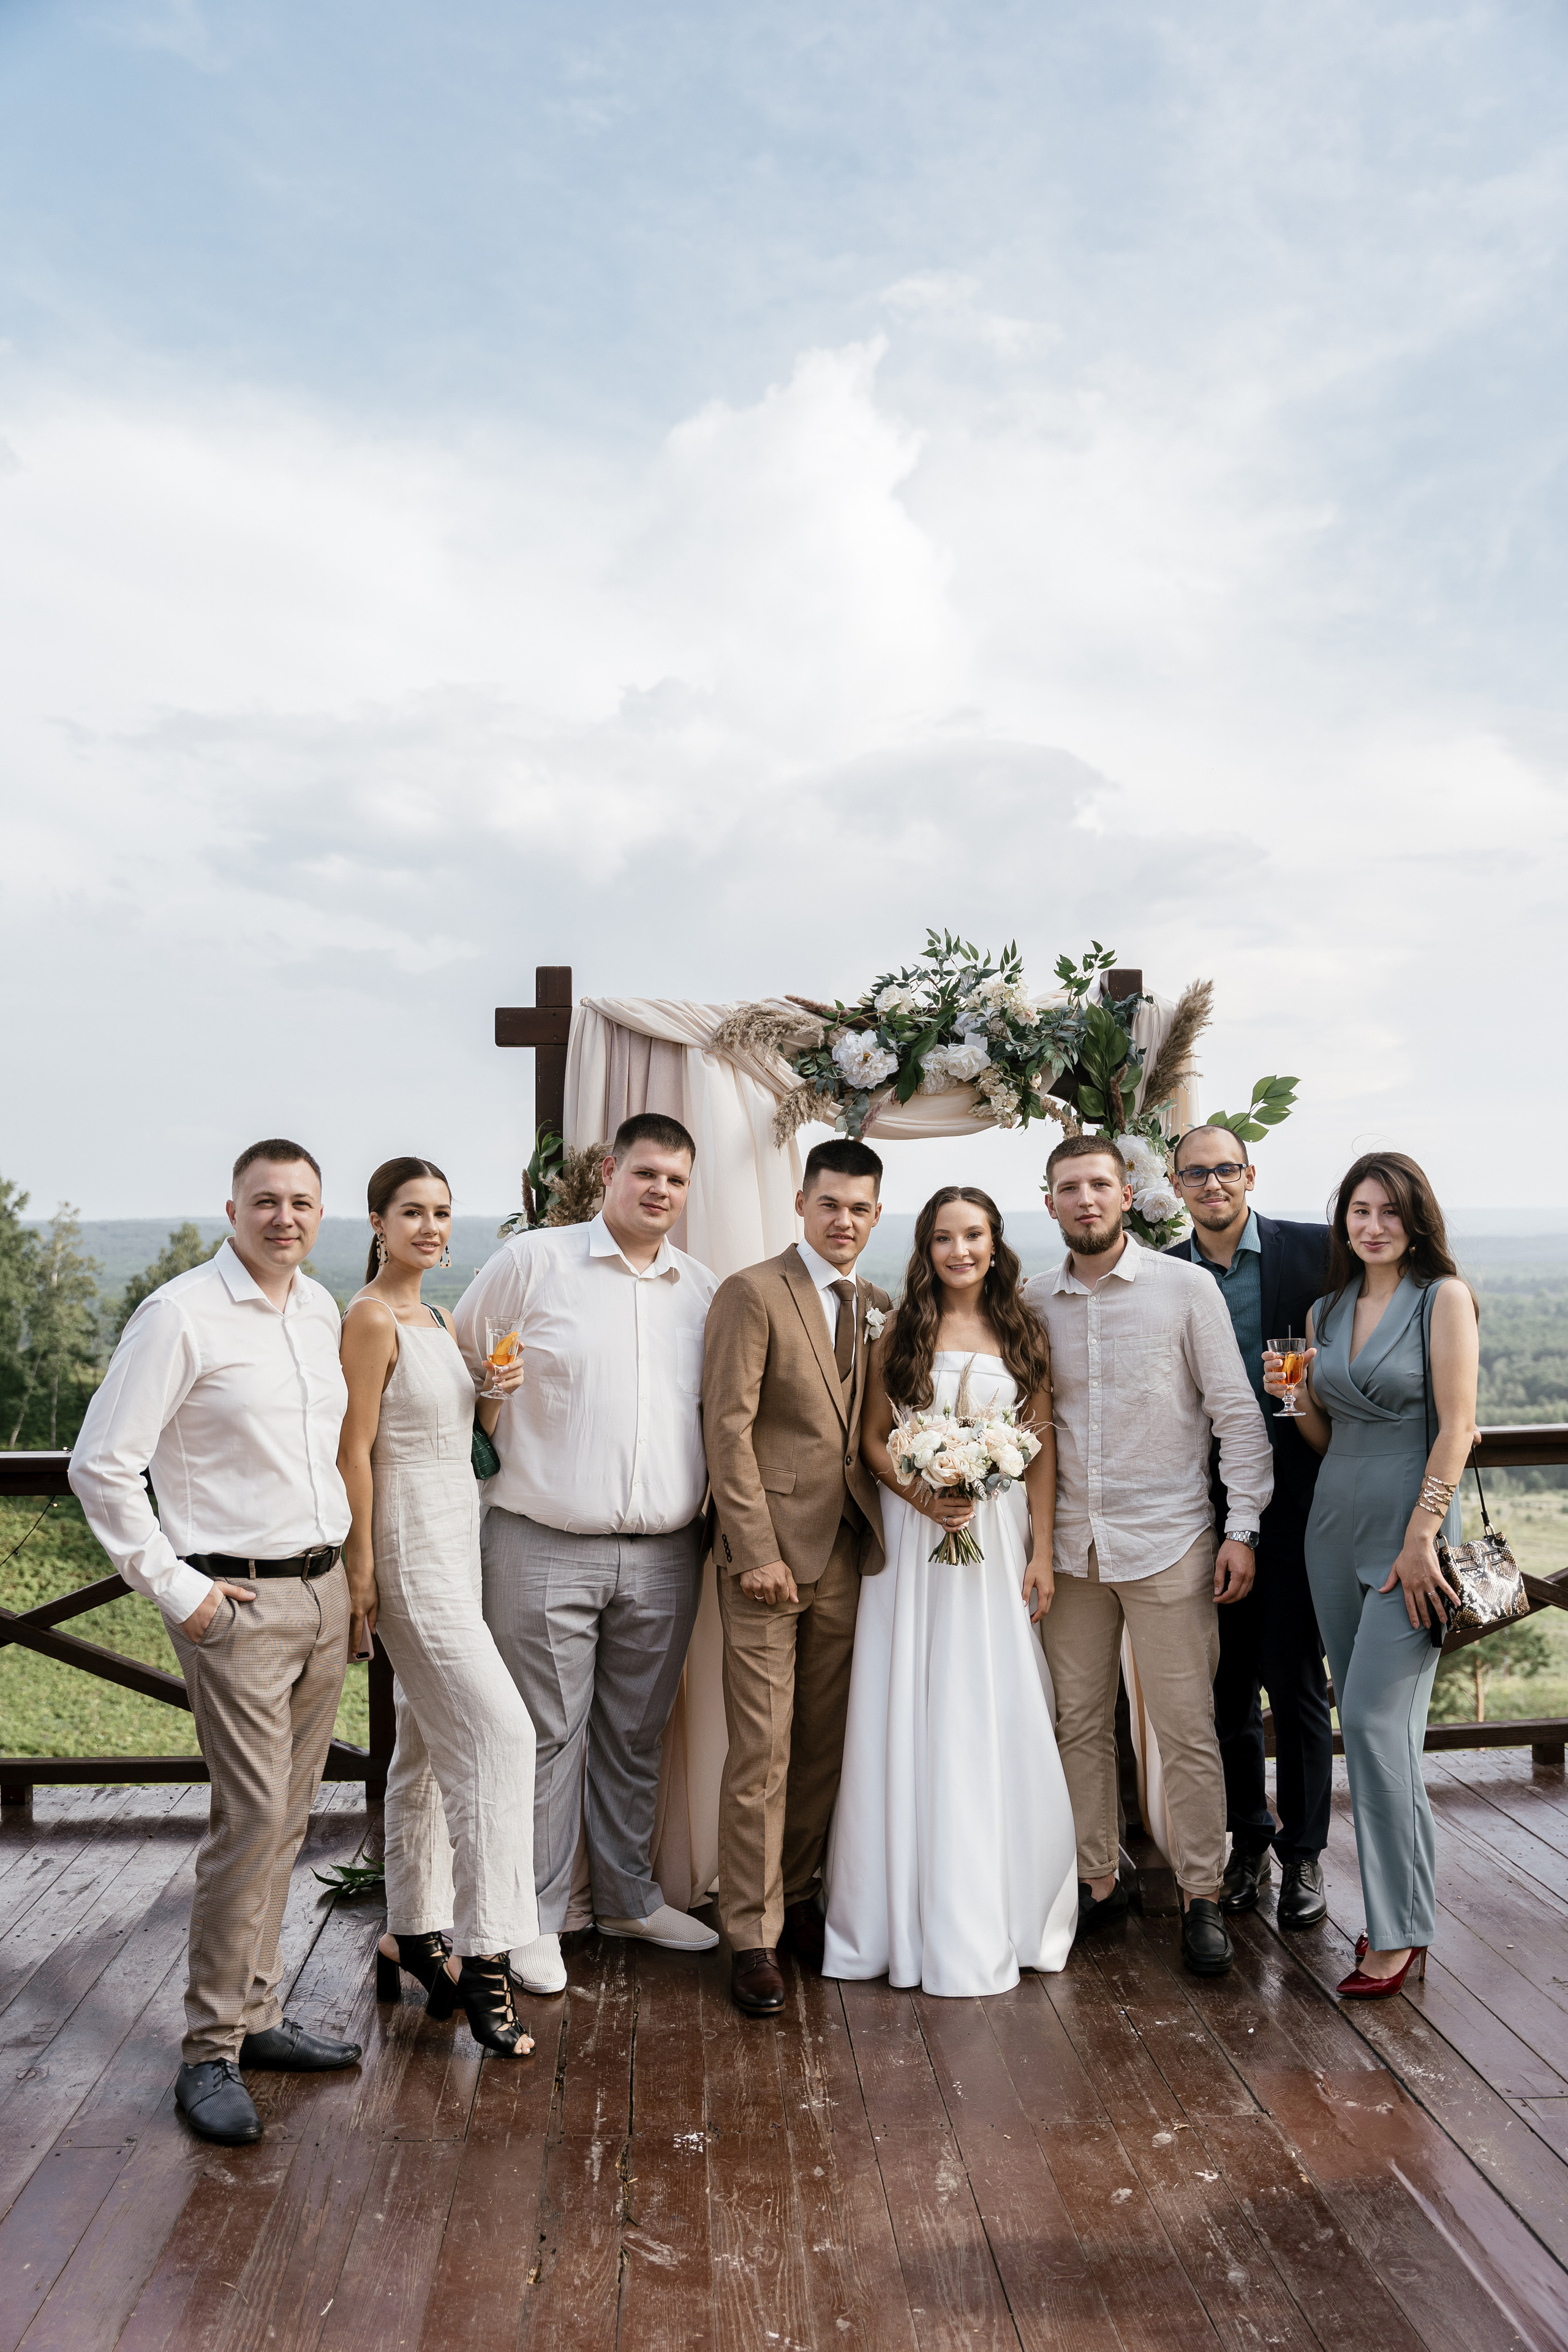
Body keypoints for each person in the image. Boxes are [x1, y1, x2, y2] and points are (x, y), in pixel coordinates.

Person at [69, 1141, 360, 2148]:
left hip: (321, 1594)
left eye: (302, 1203)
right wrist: (178, 1589)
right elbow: (101, 1465)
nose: (286, 1218)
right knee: (250, 1821)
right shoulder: (181, 1314)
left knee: (287, 1820)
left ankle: (259, 2014)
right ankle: (208, 2056)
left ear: (321, 1213)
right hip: (233, 1606)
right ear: (230, 1208)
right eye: (266, 1202)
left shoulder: (317, 1310)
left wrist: (349, 1587)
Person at [454, 1114, 720, 1994]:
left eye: (676, 1181)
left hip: (664, 1553)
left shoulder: (703, 1292)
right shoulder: (533, 1264)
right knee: (540, 1736)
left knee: (637, 1736)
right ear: (610, 1172)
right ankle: (530, 1918)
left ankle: (628, 1900)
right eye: (646, 1173)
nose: (660, 1192)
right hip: (541, 1540)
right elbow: (458, 1370)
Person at [1024, 1133, 1274, 1977]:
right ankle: (1100, 1883)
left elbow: (1236, 1415)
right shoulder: (1029, 1302)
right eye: (1069, 1188)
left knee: (1186, 1729)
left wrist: (1242, 1528)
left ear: (1128, 1194)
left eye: (1099, 1184)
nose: (1085, 1199)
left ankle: (1203, 1895)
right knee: (1078, 1724)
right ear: (1050, 1200)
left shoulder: (1184, 1289)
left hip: (1172, 1540)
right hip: (1069, 1552)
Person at [823, 1187, 1078, 1996]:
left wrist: (1038, 1555)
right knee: (911, 1699)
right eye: (943, 1237)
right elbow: (869, 1439)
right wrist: (924, 1494)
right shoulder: (901, 1326)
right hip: (914, 1538)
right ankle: (894, 1915)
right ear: (925, 1247)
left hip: (997, 1541)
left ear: (996, 1242)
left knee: (988, 1700)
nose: (959, 1250)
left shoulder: (1022, 1330)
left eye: (974, 1235)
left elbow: (1038, 1449)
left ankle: (997, 1906)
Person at [1264, 1151, 1478, 1997]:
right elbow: (1319, 1438)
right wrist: (1296, 1395)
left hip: (1409, 1531)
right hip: (1331, 1525)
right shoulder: (1324, 1309)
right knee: (1376, 1735)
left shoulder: (1442, 1299)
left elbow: (1458, 1427)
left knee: (1377, 1728)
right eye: (1359, 1210)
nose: (1373, 1226)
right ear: (1343, 1220)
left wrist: (1423, 1536)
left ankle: (1396, 1932)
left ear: (1415, 1219)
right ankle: (1407, 1914)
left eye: (1390, 1211)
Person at [338, 1157, 538, 2058]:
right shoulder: (371, 1318)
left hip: (458, 1531)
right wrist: (360, 1571)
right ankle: (488, 1953)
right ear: (376, 1222)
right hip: (406, 1538)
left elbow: (466, 1445)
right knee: (502, 1732)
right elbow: (354, 1452)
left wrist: (492, 1399)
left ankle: (413, 1933)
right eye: (411, 1212)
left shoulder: (443, 1317)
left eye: (442, 1213)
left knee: (422, 1739)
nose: (429, 1227)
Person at [703, 1137, 892, 2016]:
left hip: (850, 1555)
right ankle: (750, 1934)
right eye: (830, 1204)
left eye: (859, 1207)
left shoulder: (878, 1304)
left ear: (876, 1215)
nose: (843, 1220)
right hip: (767, 1565)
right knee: (762, 1753)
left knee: (823, 1747)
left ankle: (803, 1899)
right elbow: (727, 1429)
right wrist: (756, 1549)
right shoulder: (752, 1293)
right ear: (802, 1204)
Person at [1166, 1126, 1332, 1930]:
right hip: (1204, 1510)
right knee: (1225, 1690)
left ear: (1250, 1174)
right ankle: (1247, 1842)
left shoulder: (1317, 1250)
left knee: (1296, 1686)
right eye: (1195, 1173)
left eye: (1225, 1169)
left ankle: (1304, 1853)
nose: (1212, 1184)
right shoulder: (1165, 1271)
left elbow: (1399, 1313)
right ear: (1175, 1186)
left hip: (1303, 1502)